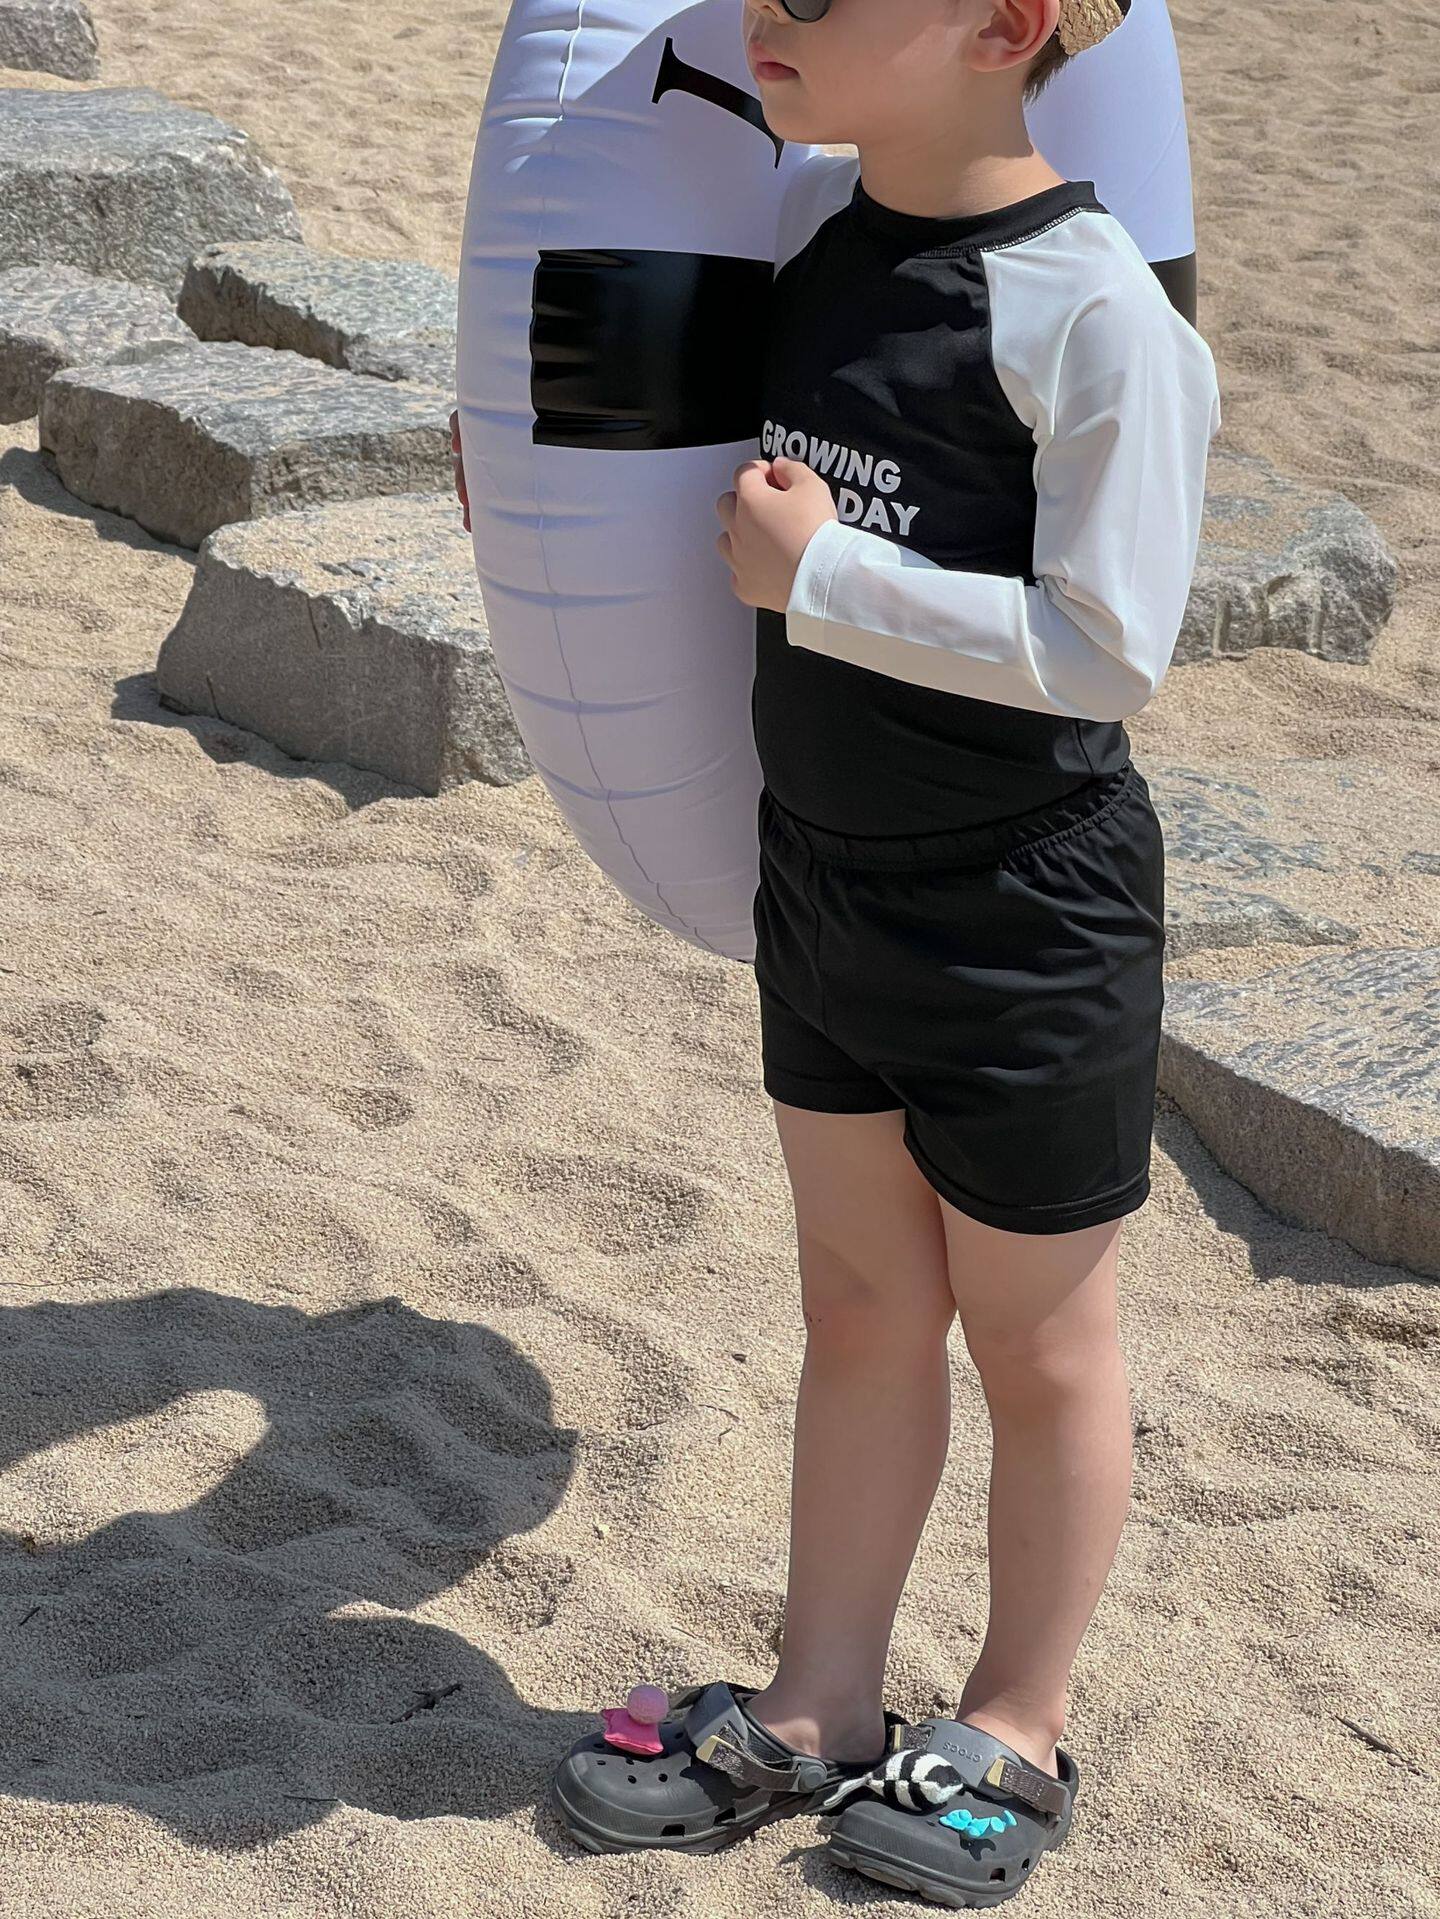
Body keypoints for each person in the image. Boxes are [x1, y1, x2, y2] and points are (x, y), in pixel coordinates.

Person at [536, 0, 1221, 1905]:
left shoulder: (1095, 313)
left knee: (1042, 1345)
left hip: (1023, 912)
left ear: (1005, 26)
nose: (769, 14)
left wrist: (826, 578)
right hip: (823, 877)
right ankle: (823, 1700)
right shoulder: (819, 230)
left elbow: (1110, 649)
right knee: (854, 1305)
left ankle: (1017, 1723)